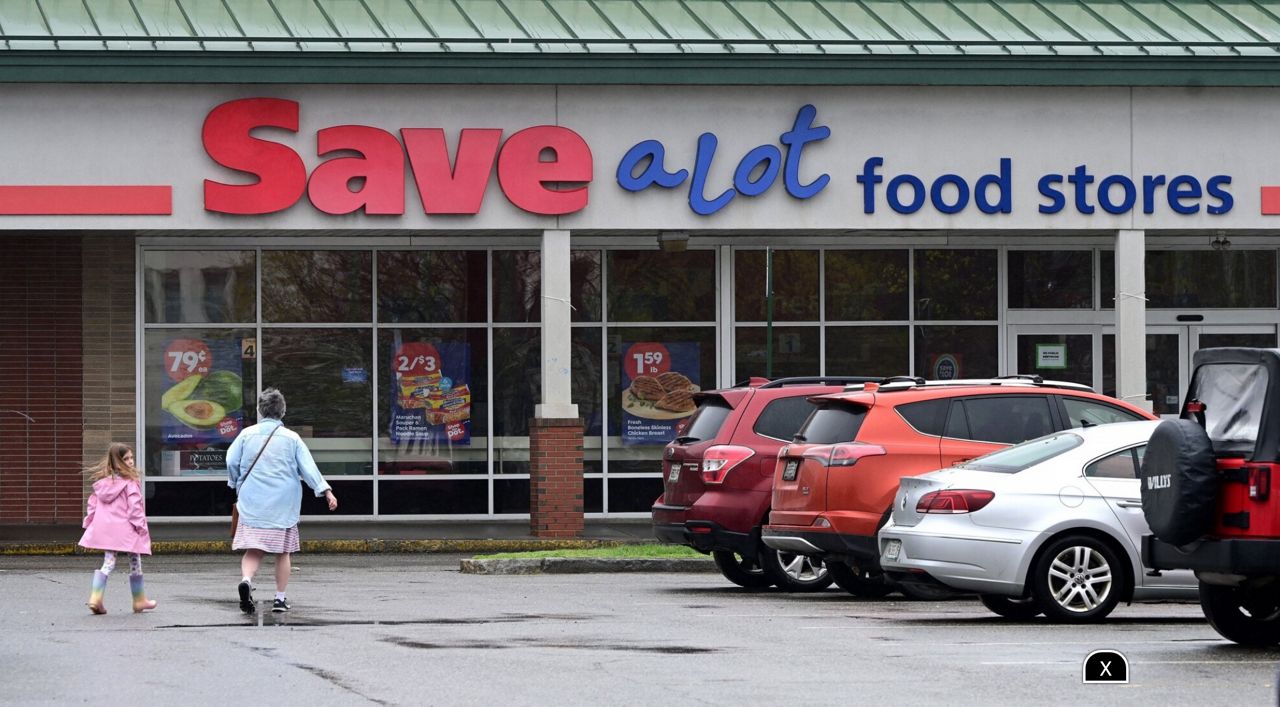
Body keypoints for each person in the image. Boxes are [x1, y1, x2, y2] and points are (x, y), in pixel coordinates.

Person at [227, 388, 338, 615]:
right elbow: (308, 468)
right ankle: (279, 599)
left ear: (260, 410)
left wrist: (235, 483)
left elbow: (231, 459)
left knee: (254, 550)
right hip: (282, 506)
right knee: (283, 553)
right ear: (283, 411)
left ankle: (246, 581)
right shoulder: (292, 438)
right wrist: (325, 491)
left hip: (252, 503)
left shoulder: (246, 434)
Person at [78, 442, 157, 614]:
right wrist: (141, 527)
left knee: (109, 562)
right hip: (127, 530)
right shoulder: (130, 484)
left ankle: (95, 598)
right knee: (135, 561)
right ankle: (139, 600)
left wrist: (89, 522)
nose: (130, 461)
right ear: (118, 462)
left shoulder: (104, 484)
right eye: (126, 458)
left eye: (131, 457)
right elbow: (135, 507)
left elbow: (92, 505)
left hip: (108, 532)